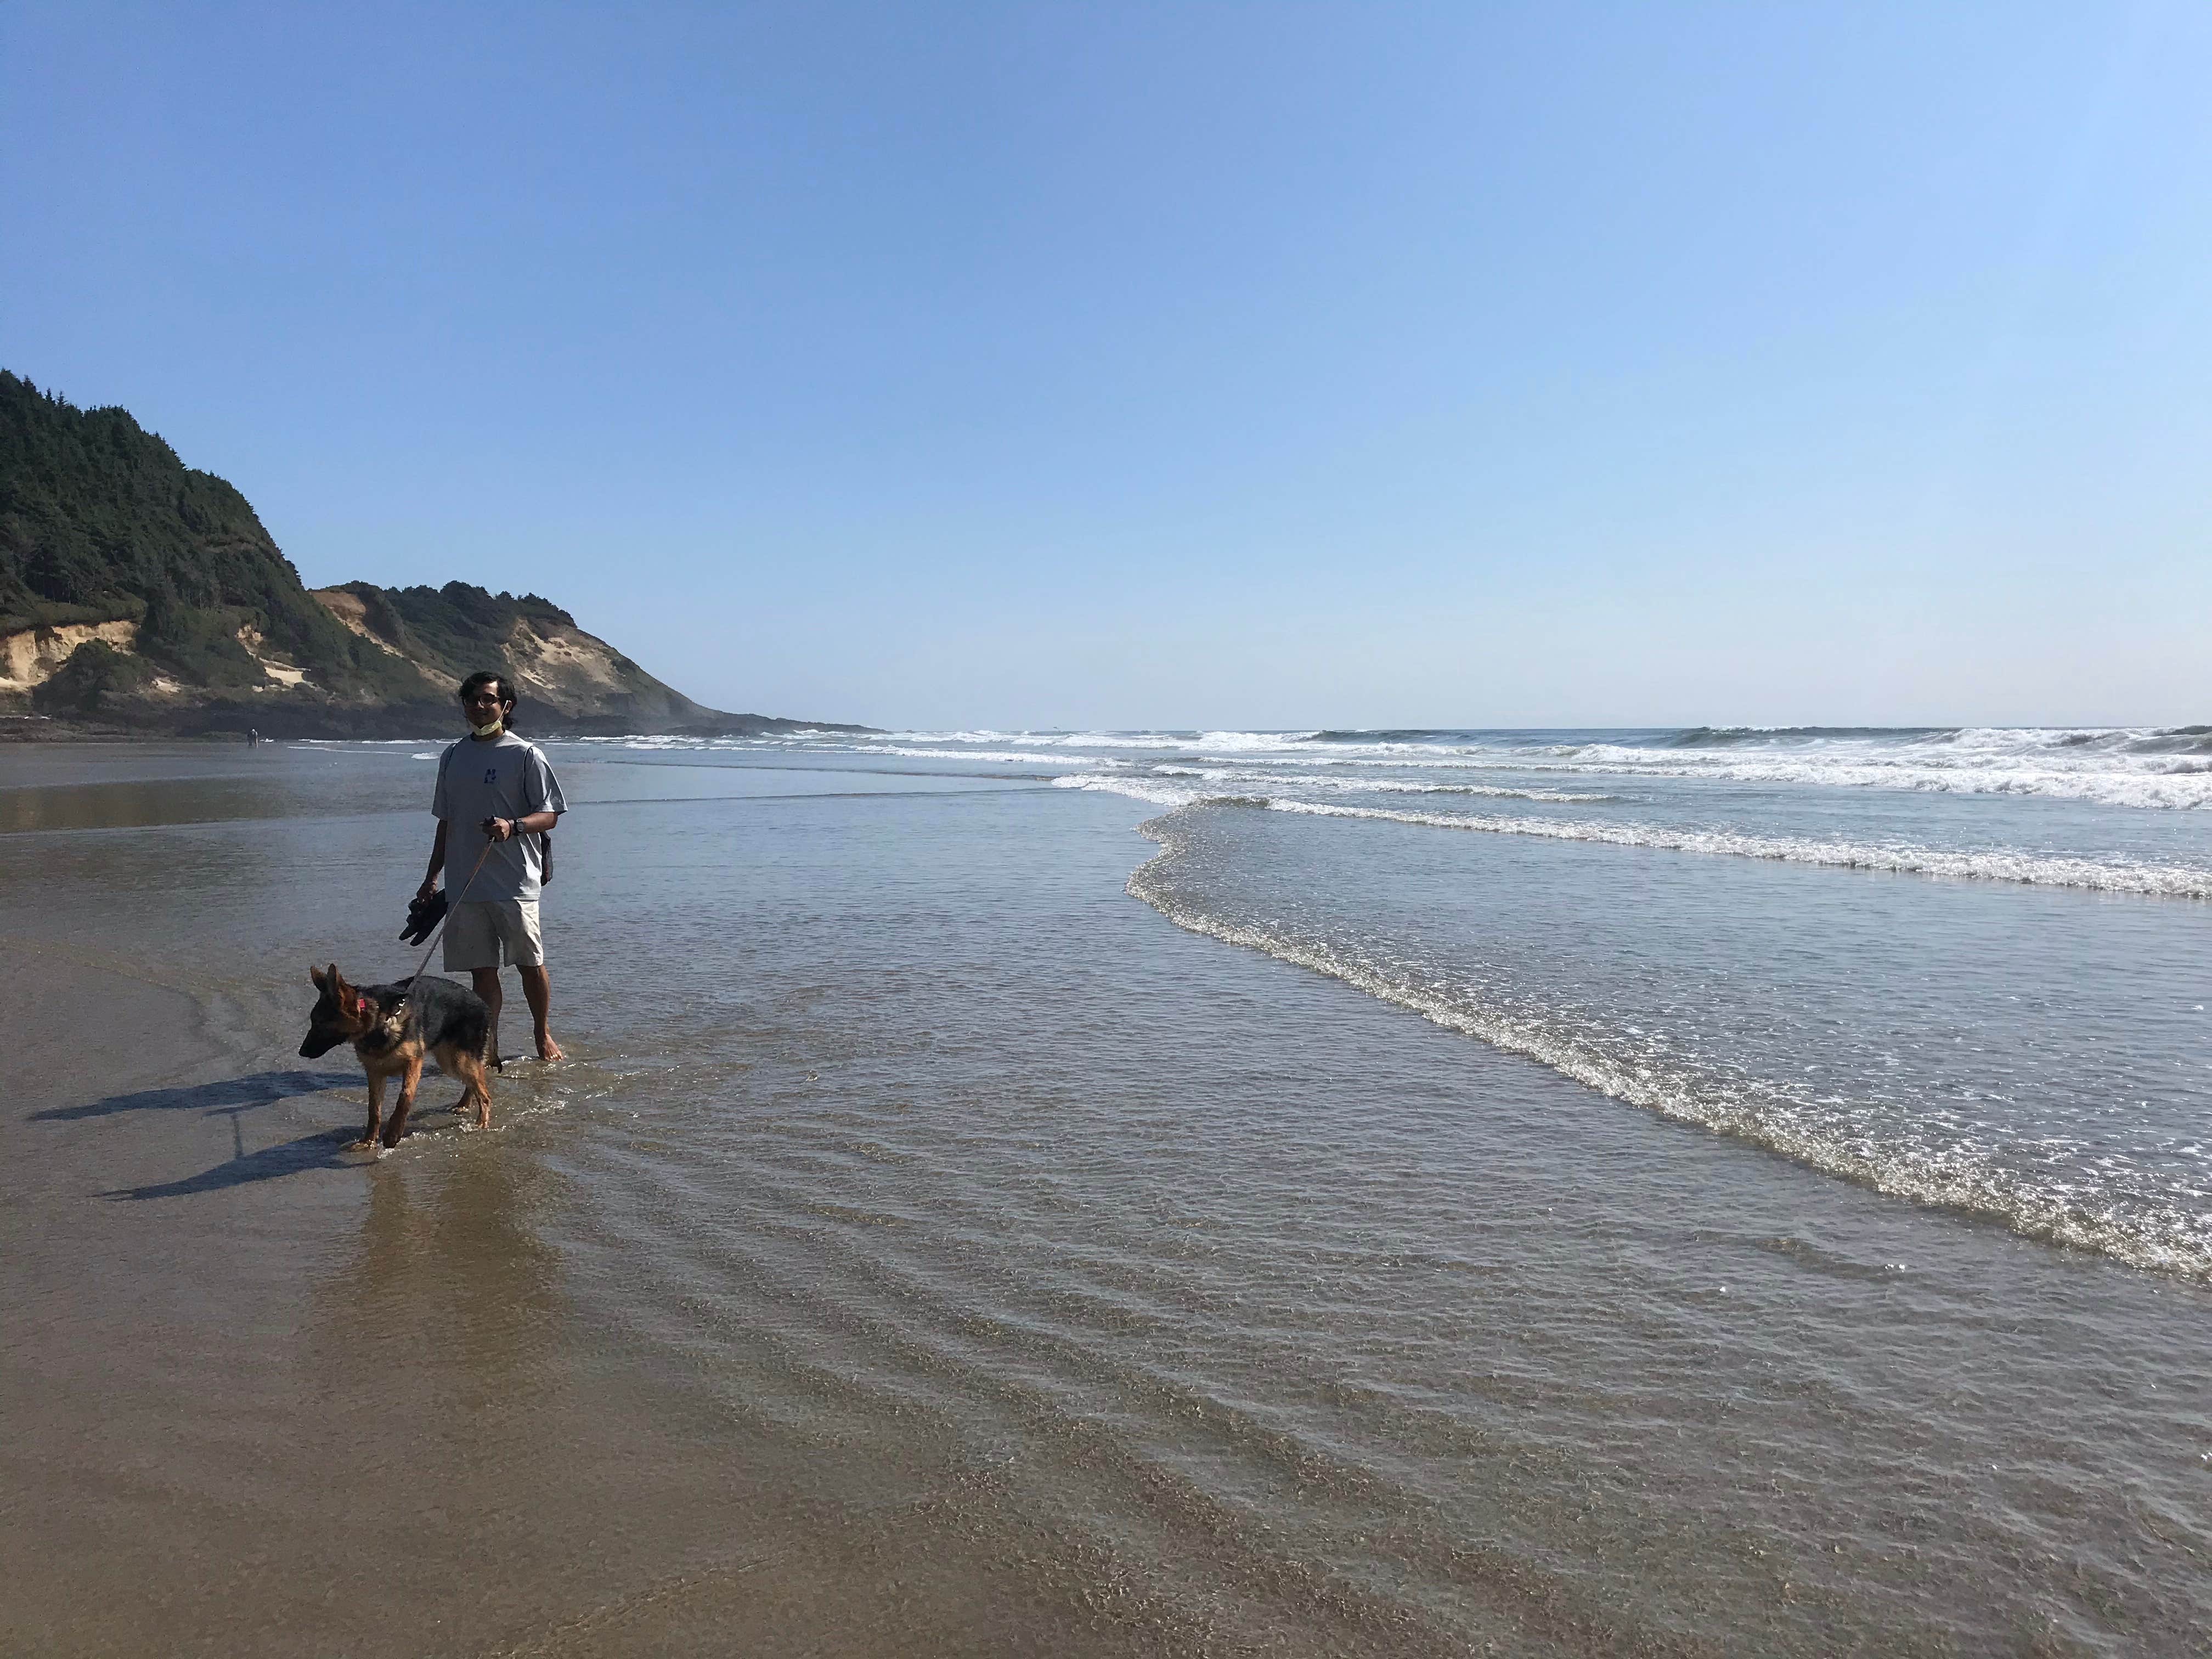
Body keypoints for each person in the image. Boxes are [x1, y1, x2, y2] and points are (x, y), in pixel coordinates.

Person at [419, 672, 569, 1063]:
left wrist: (513, 826)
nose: (479, 706)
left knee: (529, 964)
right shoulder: (452, 756)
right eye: (472, 699)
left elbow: (550, 814)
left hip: (515, 881)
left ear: (506, 706)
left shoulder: (525, 754)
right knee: (481, 975)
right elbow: (446, 822)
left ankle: (541, 1033)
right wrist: (431, 878)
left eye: (488, 699)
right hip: (466, 884)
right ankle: (490, 1047)